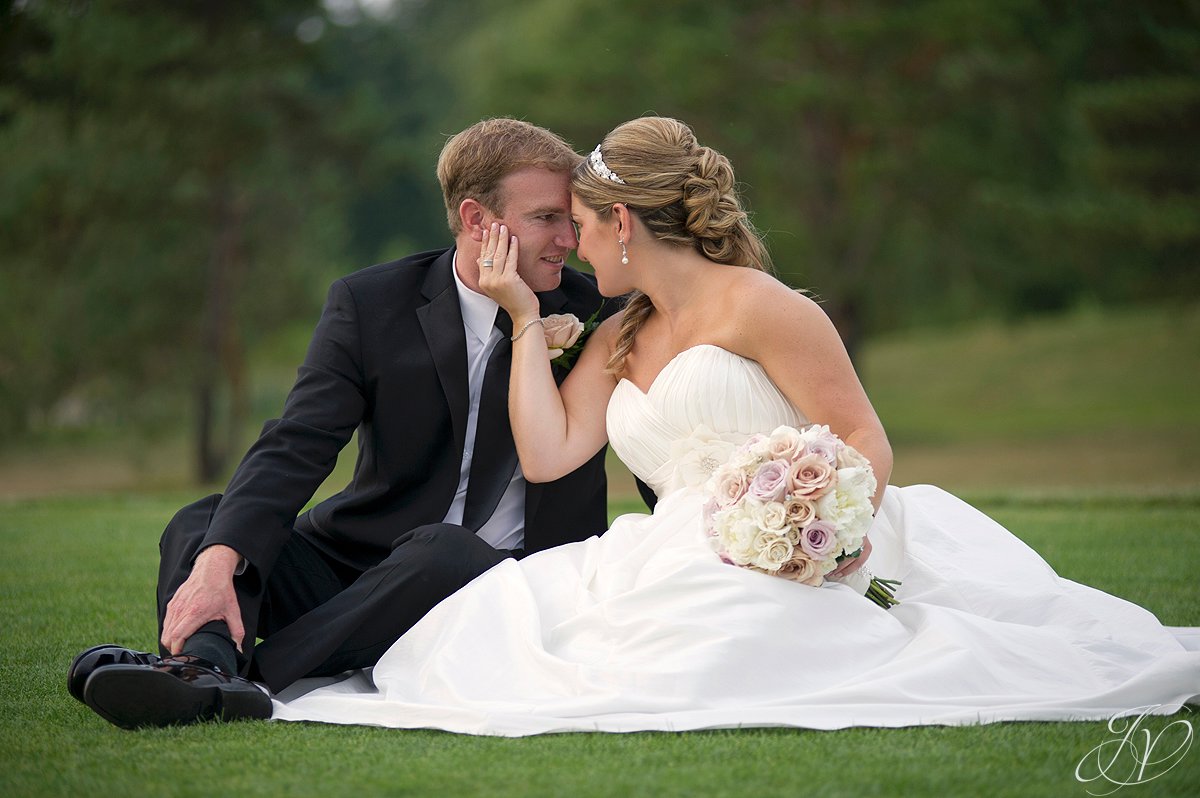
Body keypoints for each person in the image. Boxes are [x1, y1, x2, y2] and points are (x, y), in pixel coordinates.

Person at [273, 116, 1200, 736]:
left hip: (809, 540)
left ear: (625, 222)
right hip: (667, 543)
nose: (576, 247)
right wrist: (521, 319)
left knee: (717, 648)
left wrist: (821, 532)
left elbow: (864, 441)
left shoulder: (766, 308)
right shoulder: (620, 332)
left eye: (585, 225)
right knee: (514, 633)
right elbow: (551, 451)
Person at [68, 118, 624, 729]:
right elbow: (298, 442)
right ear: (474, 219)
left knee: (445, 551)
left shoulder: (601, 312)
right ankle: (201, 664)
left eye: (572, 218)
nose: (569, 238)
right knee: (204, 523)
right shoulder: (371, 303)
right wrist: (218, 560)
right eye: (547, 217)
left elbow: (664, 433)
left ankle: (236, 680)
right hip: (365, 561)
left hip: (513, 578)